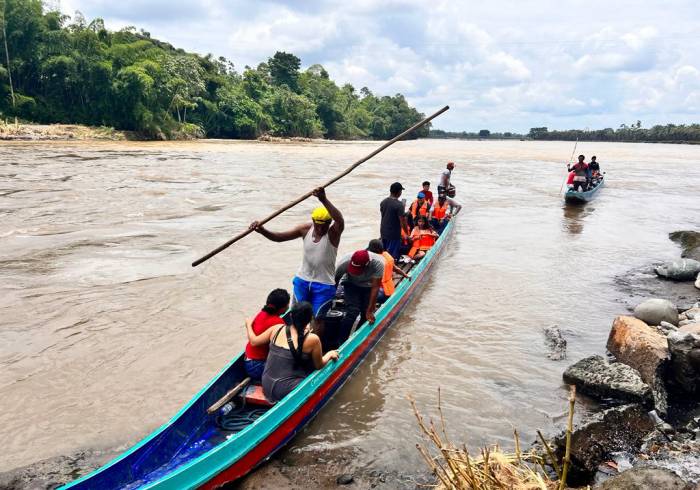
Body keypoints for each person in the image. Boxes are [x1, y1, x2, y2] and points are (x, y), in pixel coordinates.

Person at [250, 187, 343, 321]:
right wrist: (263, 231)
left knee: (318, 318)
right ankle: (297, 339)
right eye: (318, 225)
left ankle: (315, 340)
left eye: (325, 225)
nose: (321, 228)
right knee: (298, 315)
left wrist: (323, 199)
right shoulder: (305, 229)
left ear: (329, 223)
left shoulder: (333, 233)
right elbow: (279, 237)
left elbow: (340, 220)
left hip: (323, 284)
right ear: (313, 221)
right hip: (302, 280)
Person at [261, 302, 339, 402]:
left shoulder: (277, 329)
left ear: (290, 316)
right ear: (310, 319)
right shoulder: (313, 339)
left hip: (266, 384)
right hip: (285, 390)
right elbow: (319, 365)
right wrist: (329, 354)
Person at [332, 249, 384, 348]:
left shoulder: (378, 263)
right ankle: (341, 342)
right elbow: (335, 281)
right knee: (352, 312)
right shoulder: (344, 263)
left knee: (366, 314)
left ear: (367, 264)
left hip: (368, 286)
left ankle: (358, 336)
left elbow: (375, 287)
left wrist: (370, 309)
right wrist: (330, 300)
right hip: (350, 284)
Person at [243, 289, 290, 381]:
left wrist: (248, 325)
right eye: (287, 304)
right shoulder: (278, 323)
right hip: (258, 366)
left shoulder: (261, 314)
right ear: (282, 308)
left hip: (248, 361)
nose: (288, 306)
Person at [380, 182, 408, 260]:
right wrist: (407, 233)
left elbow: (385, 215)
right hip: (394, 234)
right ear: (399, 192)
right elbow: (402, 221)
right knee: (392, 255)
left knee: (385, 252)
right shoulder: (399, 205)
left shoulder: (383, 202)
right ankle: (392, 268)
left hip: (383, 231)